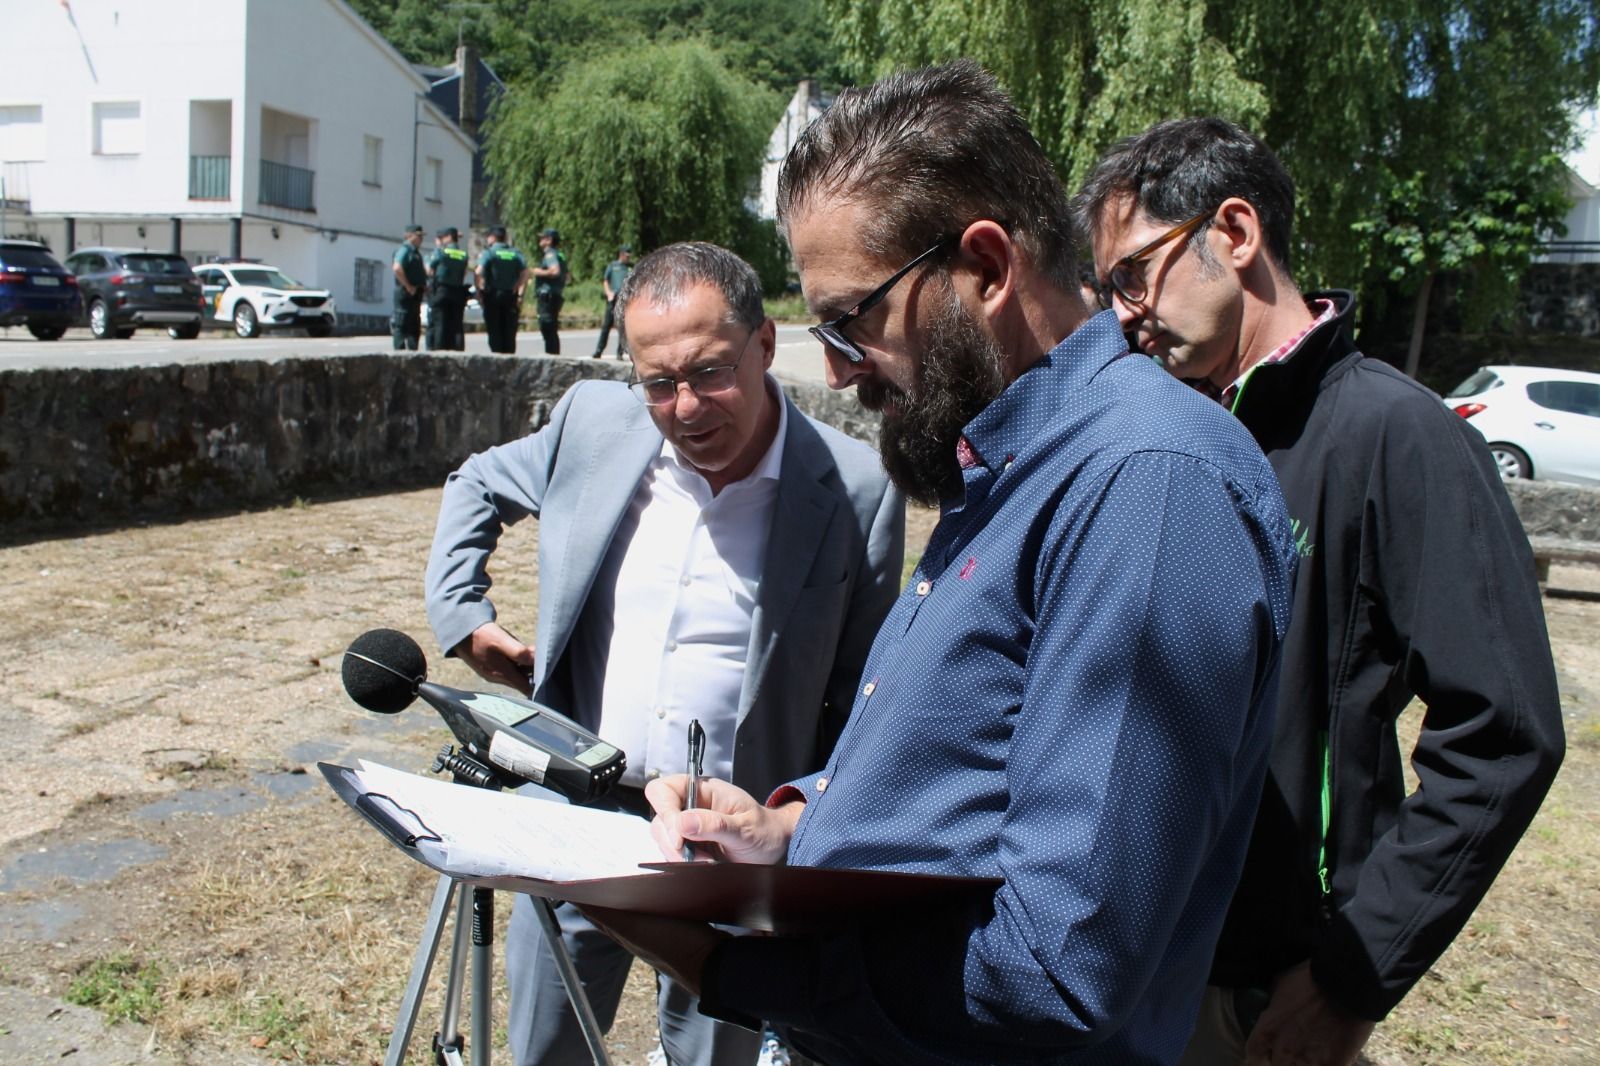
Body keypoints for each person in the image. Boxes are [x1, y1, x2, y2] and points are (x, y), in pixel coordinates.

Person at [582, 61, 1300, 1066]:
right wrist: (791, 823)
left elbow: (1056, 965)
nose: (832, 366)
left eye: (851, 319)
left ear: (988, 268)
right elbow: (972, 759)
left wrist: (724, 968)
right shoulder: (1006, 457)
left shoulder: (1146, 483)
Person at [1074, 117, 1565, 1066]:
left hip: (1256, 1000)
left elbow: (1504, 732)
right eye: (1108, 290)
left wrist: (1355, 969)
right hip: (1123, 975)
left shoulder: (1398, 436)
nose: (1123, 313)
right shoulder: (1170, 431)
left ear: (1237, 233)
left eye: (1134, 273)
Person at [424, 241, 905, 1066]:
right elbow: (477, 483)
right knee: (545, 1049)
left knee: (714, 1056)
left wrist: (801, 837)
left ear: (763, 347)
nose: (685, 407)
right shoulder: (592, 425)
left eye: (710, 372)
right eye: (659, 383)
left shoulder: (860, 489)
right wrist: (465, 617)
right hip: (577, 819)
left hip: (728, 848)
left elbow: (861, 700)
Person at [476, 225, 529, 355]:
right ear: (504, 238)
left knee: (495, 331)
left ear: (493, 237)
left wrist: (480, 291)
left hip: (493, 296)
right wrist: (518, 289)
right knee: (509, 331)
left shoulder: (489, 253)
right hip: (510, 296)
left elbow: (478, 272)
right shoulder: (515, 253)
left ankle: (498, 359)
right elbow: (526, 273)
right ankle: (509, 361)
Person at [425, 226, 471, 351]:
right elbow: (465, 271)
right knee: (457, 325)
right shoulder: (464, 254)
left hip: (442, 290)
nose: (442, 240)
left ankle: (440, 352)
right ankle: (458, 350)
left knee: (440, 323)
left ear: (449, 237)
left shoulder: (441, 252)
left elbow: (429, 270)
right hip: (458, 291)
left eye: (443, 237)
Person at [531, 226, 569, 354]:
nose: (540, 240)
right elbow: (568, 276)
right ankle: (554, 356)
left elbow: (555, 271)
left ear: (549, 240)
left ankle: (552, 358)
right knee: (552, 329)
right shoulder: (560, 255)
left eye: (543, 237)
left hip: (547, 296)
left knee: (547, 328)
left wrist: (537, 271)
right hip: (556, 295)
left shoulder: (550, 254)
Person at [593, 243, 633, 359]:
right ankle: (599, 350)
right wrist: (608, 292)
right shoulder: (612, 266)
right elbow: (605, 280)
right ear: (621, 254)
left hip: (625, 300)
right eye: (626, 254)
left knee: (622, 327)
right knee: (606, 326)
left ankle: (619, 353)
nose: (628, 257)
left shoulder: (631, 267)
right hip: (613, 299)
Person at [391, 223, 426, 351]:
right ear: (409, 236)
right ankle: (399, 356)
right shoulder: (405, 250)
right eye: (418, 236)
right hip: (405, 292)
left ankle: (413, 354)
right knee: (401, 324)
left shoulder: (415, 252)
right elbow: (397, 268)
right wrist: (408, 286)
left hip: (415, 294)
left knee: (414, 326)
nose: (421, 239)